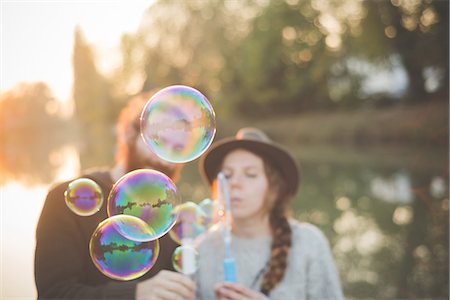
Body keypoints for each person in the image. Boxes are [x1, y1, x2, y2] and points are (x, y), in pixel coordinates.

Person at [34, 92, 196, 300]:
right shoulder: (65, 200)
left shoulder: (170, 214)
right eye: (159, 142)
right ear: (130, 133)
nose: (165, 159)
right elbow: (53, 294)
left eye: (177, 149)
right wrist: (135, 293)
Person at [196, 127, 344, 300]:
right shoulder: (202, 248)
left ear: (274, 190)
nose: (234, 183)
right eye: (227, 175)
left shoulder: (309, 243)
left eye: (250, 174)